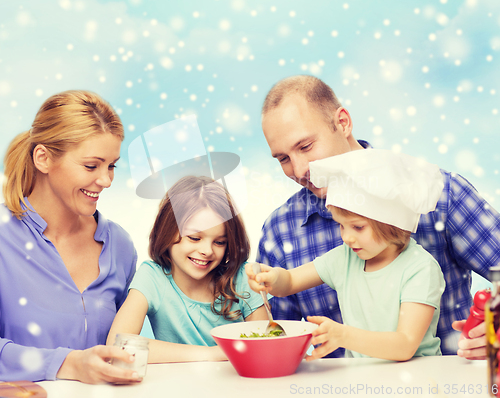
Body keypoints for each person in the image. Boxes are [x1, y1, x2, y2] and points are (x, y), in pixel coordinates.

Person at [257, 74, 500, 359]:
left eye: (306, 146)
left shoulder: (440, 195)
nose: (298, 171)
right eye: (283, 159)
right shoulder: (281, 229)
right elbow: (273, 336)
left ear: (343, 123)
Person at [248, 149, 446, 360]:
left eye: (358, 227)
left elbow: (404, 345)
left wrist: (343, 335)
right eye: (341, 226)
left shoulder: (420, 269)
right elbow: (290, 281)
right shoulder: (345, 258)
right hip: (362, 382)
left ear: (391, 222)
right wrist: (271, 278)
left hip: (416, 382)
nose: (347, 237)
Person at [0, 90, 139, 384]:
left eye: (111, 166)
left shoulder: (120, 246)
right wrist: (67, 364)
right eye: (91, 166)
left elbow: (125, 343)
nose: (106, 180)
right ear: (43, 158)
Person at [107, 175, 267, 362]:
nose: (207, 251)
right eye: (194, 238)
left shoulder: (243, 278)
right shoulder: (152, 277)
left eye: (219, 242)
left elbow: (265, 347)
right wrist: (212, 354)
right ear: (166, 230)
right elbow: (117, 347)